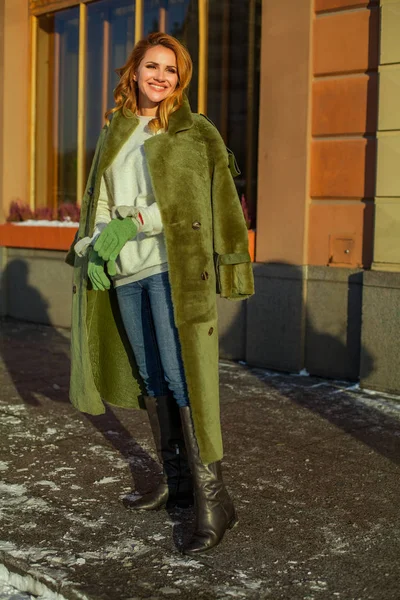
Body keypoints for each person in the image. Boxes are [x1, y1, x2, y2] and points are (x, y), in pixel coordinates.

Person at [67, 32, 254, 555]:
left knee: (182, 376)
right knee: (151, 376)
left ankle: (214, 501)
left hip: (173, 271)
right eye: (152, 66)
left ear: (181, 78)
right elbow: (97, 204)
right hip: (127, 274)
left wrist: (133, 223)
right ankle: (176, 482)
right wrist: (93, 247)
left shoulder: (193, 132)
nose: (160, 76)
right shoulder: (115, 133)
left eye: (171, 70)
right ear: (134, 71)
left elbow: (204, 207)